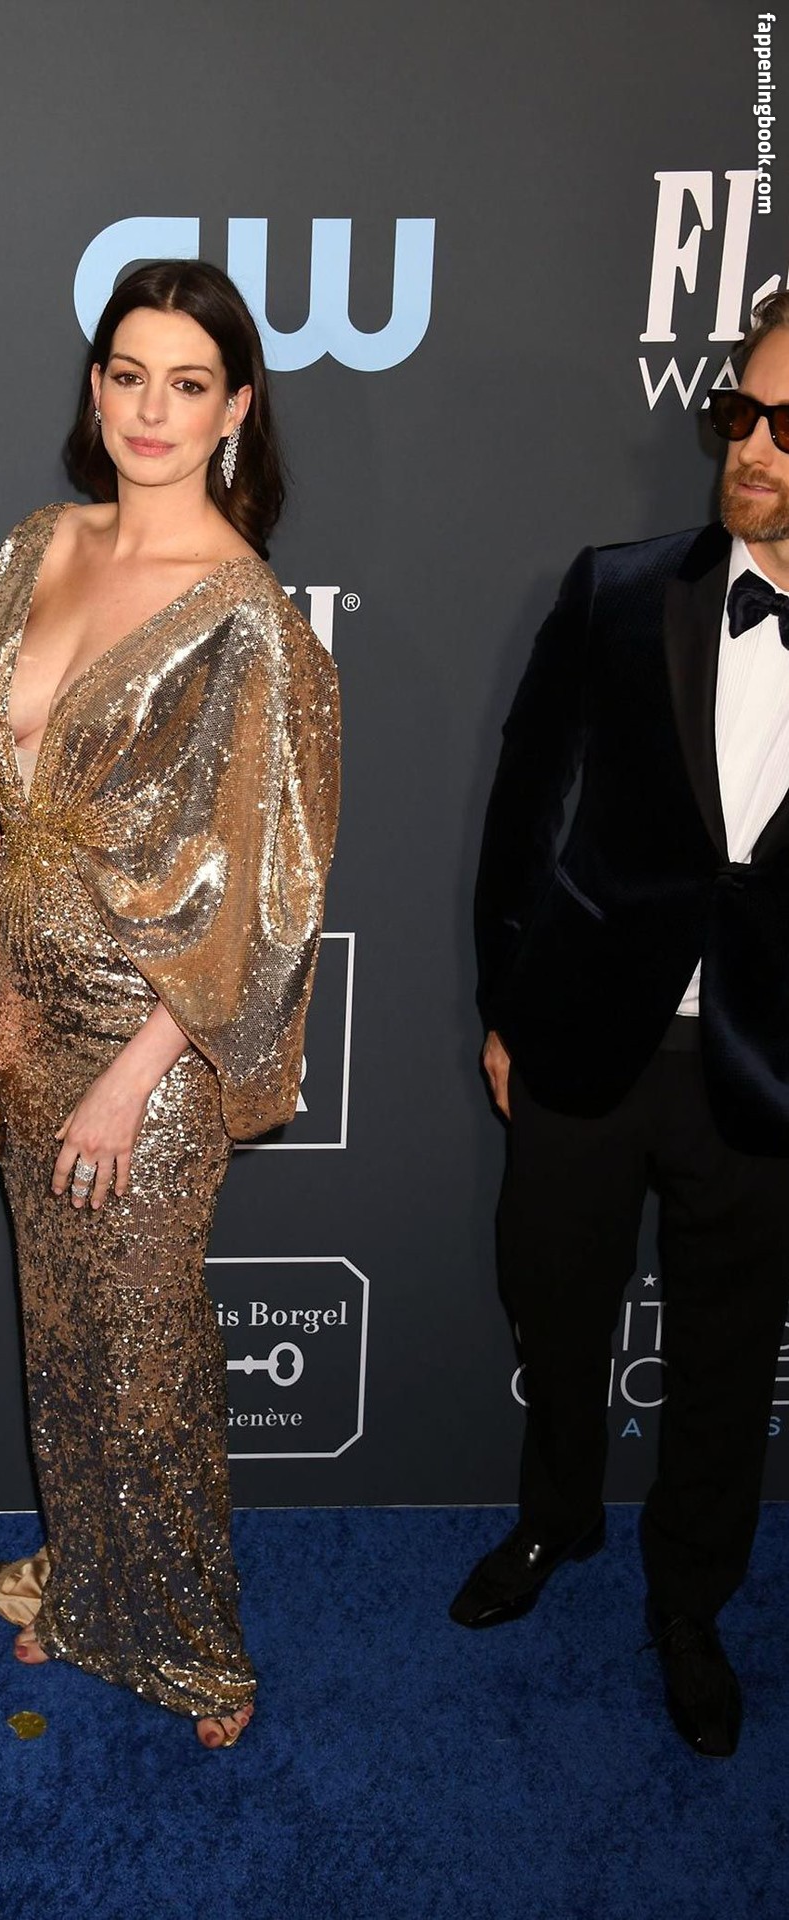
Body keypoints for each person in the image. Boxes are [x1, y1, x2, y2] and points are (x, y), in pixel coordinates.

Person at [0, 261, 340, 1749]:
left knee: (142, 1348)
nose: (154, 410)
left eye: (188, 383)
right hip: (17, 1005)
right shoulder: (41, 543)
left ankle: (199, 1651)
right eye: (130, 375)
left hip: (150, 1034)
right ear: (96, 391)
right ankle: (90, 1584)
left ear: (236, 409)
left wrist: (139, 1073)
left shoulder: (248, 619)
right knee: (61, 1328)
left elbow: (264, 897)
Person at [451, 288, 789, 1758]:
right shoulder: (618, 588)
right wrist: (506, 1006)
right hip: (589, 1033)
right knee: (555, 1301)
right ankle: (558, 1515)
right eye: (741, 412)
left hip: (767, 1064)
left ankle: (691, 1603)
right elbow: (528, 809)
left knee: (728, 1356)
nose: (752, 447)